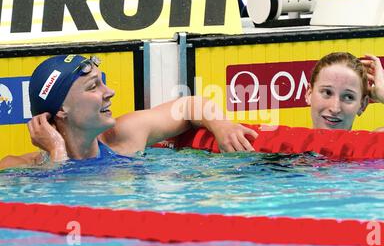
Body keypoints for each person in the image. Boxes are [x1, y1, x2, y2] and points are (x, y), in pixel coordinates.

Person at [0, 54, 258, 170]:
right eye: (94, 86)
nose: (109, 91)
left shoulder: (123, 137)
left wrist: (221, 125)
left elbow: (188, 105)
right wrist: (57, 151)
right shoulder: (16, 167)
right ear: (61, 111)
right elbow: (55, 211)